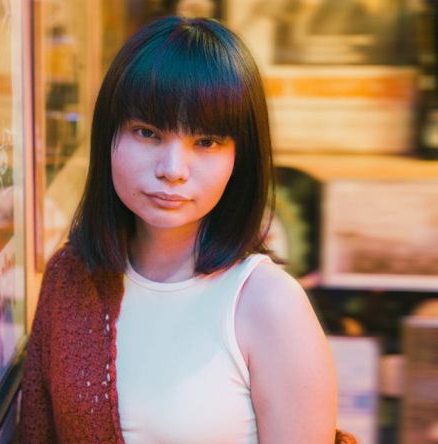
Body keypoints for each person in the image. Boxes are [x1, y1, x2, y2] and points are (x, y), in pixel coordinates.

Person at [21, 17, 352, 443]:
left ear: (240, 158)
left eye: (206, 142)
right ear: (108, 137)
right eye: (148, 133)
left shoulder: (269, 305)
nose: (172, 170)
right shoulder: (70, 277)